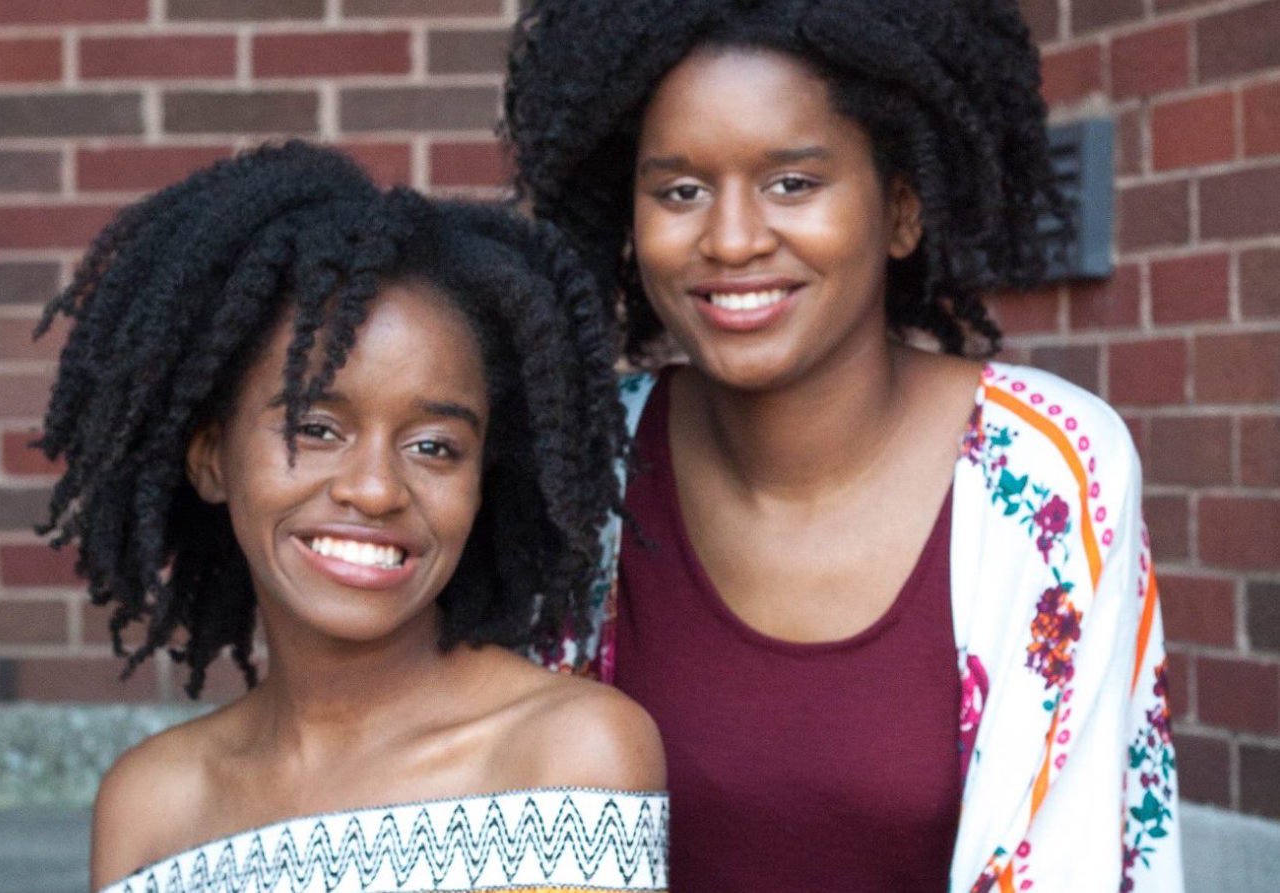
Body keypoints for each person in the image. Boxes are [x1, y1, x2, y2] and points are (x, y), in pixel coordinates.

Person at [504, 1, 1181, 890]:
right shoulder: (582, 468)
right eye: (679, 190)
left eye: (793, 183)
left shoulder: (1049, 470)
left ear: (902, 210)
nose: (732, 238)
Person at [34, 142, 668, 893]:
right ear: (209, 456)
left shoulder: (565, 755)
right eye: (316, 427)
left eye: (434, 446)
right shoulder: (153, 804)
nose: (375, 489)